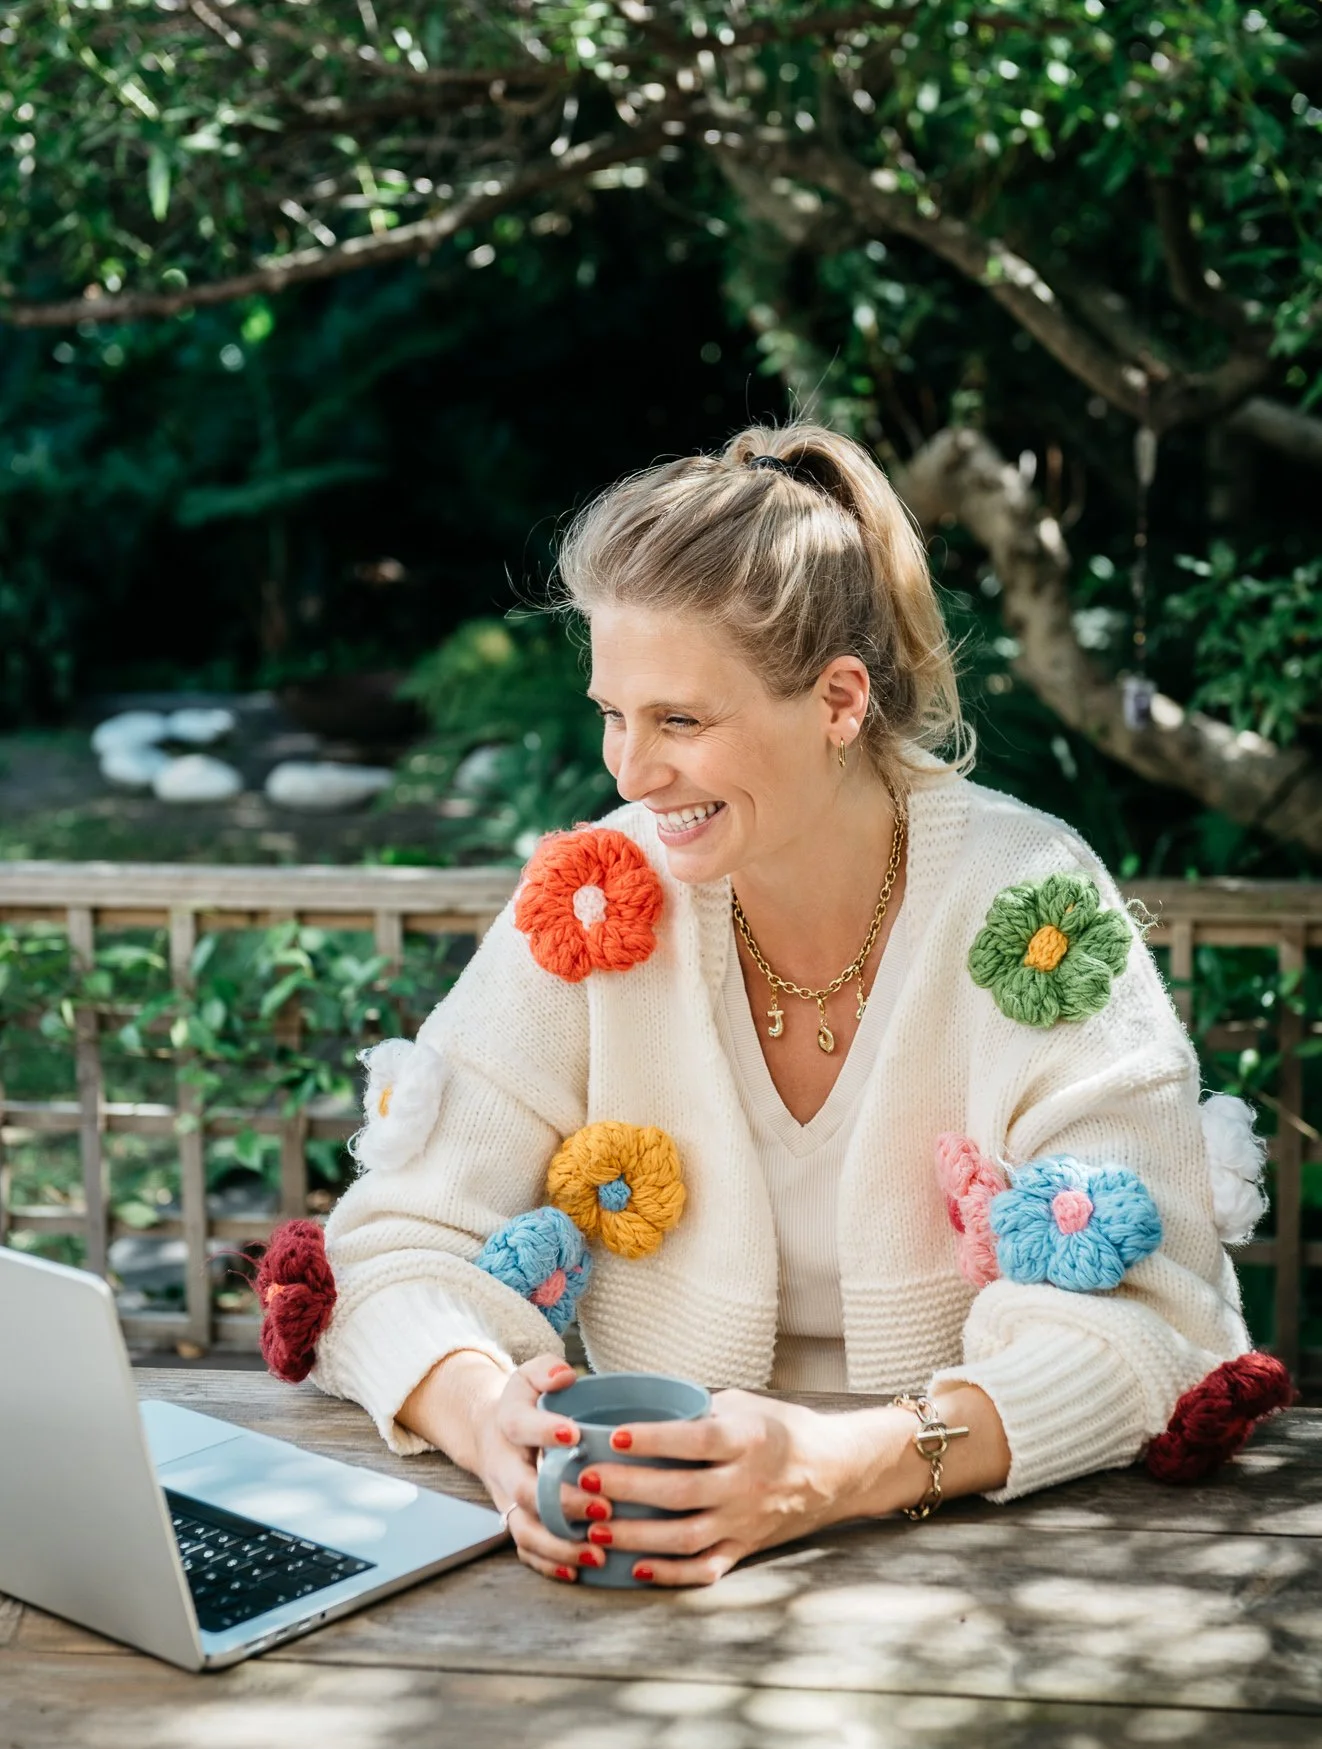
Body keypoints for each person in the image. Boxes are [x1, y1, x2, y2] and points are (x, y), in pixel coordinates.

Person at [303, 421, 1261, 1588]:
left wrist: (838, 1468)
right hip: (646, 1553)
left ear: (839, 700)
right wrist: (484, 1422)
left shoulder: (1031, 904)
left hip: (996, 1561)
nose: (628, 771)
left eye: (680, 721)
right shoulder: (596, 895)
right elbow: (389, 1244)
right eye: (613, 713)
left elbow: (1157, 1322)